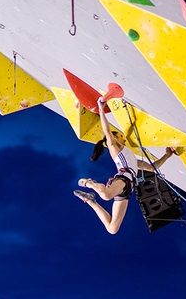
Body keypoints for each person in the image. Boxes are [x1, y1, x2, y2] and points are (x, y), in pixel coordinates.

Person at [73, 98, 175, 234]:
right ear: (115, 139)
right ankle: (90, 188)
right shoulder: (115, 149)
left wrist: (167, 155)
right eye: (121, 136)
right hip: (125, 184)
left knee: (107, 203)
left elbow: (151, 168)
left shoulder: (132, 158)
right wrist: (101, 108)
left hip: (123, 183)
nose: (124, 138)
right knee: (112, 228)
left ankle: (90, 194)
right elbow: (107, 131)